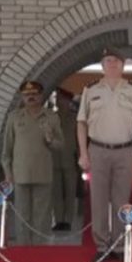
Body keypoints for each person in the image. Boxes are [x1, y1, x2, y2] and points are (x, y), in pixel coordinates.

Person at [77, 47, 132, 262]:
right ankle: (101, 246)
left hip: (124, 151)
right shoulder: (90, 90)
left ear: (123, 65)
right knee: (98, 200)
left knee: (121, 199)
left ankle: (118, 246)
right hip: (98, 150)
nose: (112, 64)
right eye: (108, 60)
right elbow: (81, 122)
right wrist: (83, 153)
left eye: (116, 61)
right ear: (102, 65)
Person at [1, 80, 63, 245]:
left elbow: (60, 145)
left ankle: (40, 252)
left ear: (41, 96)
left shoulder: (51, 116)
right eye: (27, 95)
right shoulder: (14, 117)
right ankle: (23, 251)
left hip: (43, 174)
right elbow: (6, 150)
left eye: (34, 94)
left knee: (42, 218)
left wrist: (50, 140)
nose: (31, 98)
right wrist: (8, 174)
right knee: (22, 216)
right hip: (20, 175)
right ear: (22, 97)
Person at [51, 87, 79, 231]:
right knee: (56, 192)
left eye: (62, 99)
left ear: (68, 101)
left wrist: (81, 157)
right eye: (59, 99)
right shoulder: (52, 117)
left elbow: (79, 139)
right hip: (54, 159)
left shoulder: (75, 118)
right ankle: (59, 219)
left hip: (70, 159)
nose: (60, 102)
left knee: (70, 191)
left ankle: (68, 220)